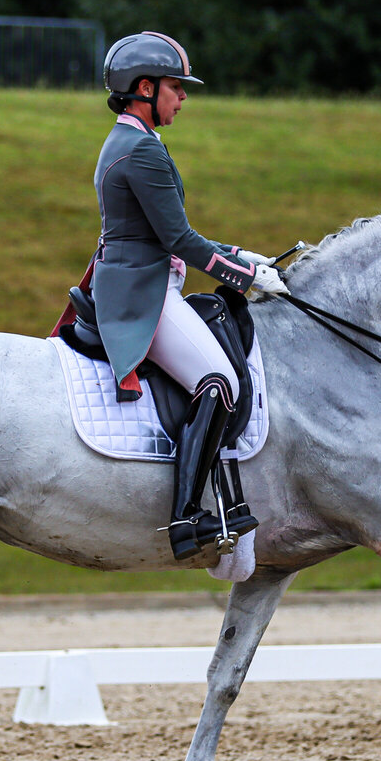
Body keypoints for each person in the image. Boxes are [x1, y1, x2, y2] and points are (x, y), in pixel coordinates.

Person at [89, 31, 288, 559]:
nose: (183, 97)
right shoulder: (141, 150)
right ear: (144, 87)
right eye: (176, 87)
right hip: (143, 291)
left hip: (145, 277)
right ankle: (188, 518)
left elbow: (177, 233)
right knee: (220, 381)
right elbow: (178, 241)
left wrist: (243, 255)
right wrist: (246, 278)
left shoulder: (134, 140)